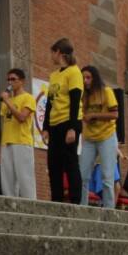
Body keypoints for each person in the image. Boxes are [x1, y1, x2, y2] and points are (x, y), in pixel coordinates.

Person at [42, 38, 84, 203]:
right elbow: (49, 103)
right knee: (53, 165)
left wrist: (73, 128)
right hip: (54, 125)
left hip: (69, 122)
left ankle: (75, 201)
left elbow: (75, 100)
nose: (51, 56)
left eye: (52, 52)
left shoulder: (74, 72)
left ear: (58, 52)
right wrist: (46, 127)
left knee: (70, 163)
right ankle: (56, 200)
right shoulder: (54, 75)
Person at [78, 65, 119, 208]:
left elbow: (115, 114)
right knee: (83, 175)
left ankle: (109, 210)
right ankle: (82, 207)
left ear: (95, 78)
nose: (85, 80)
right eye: (83, 78)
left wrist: (94, 115)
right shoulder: (83, 96)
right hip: (89, 139)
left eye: (88, 77)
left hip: (107, 137)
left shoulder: (106, 92)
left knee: (107, 177)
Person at [0, 68, 37, 199]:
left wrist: (7, 101)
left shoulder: (28, 98)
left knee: (25, 179)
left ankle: (31, 208)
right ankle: (11, 208)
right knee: (7, 182)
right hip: (6, 144)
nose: (10, 82)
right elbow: (5, 126)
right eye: (8, 79)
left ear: (22, 81)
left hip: (21, 142)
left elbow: (22, 117)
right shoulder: (6, 103)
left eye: (13, 79)